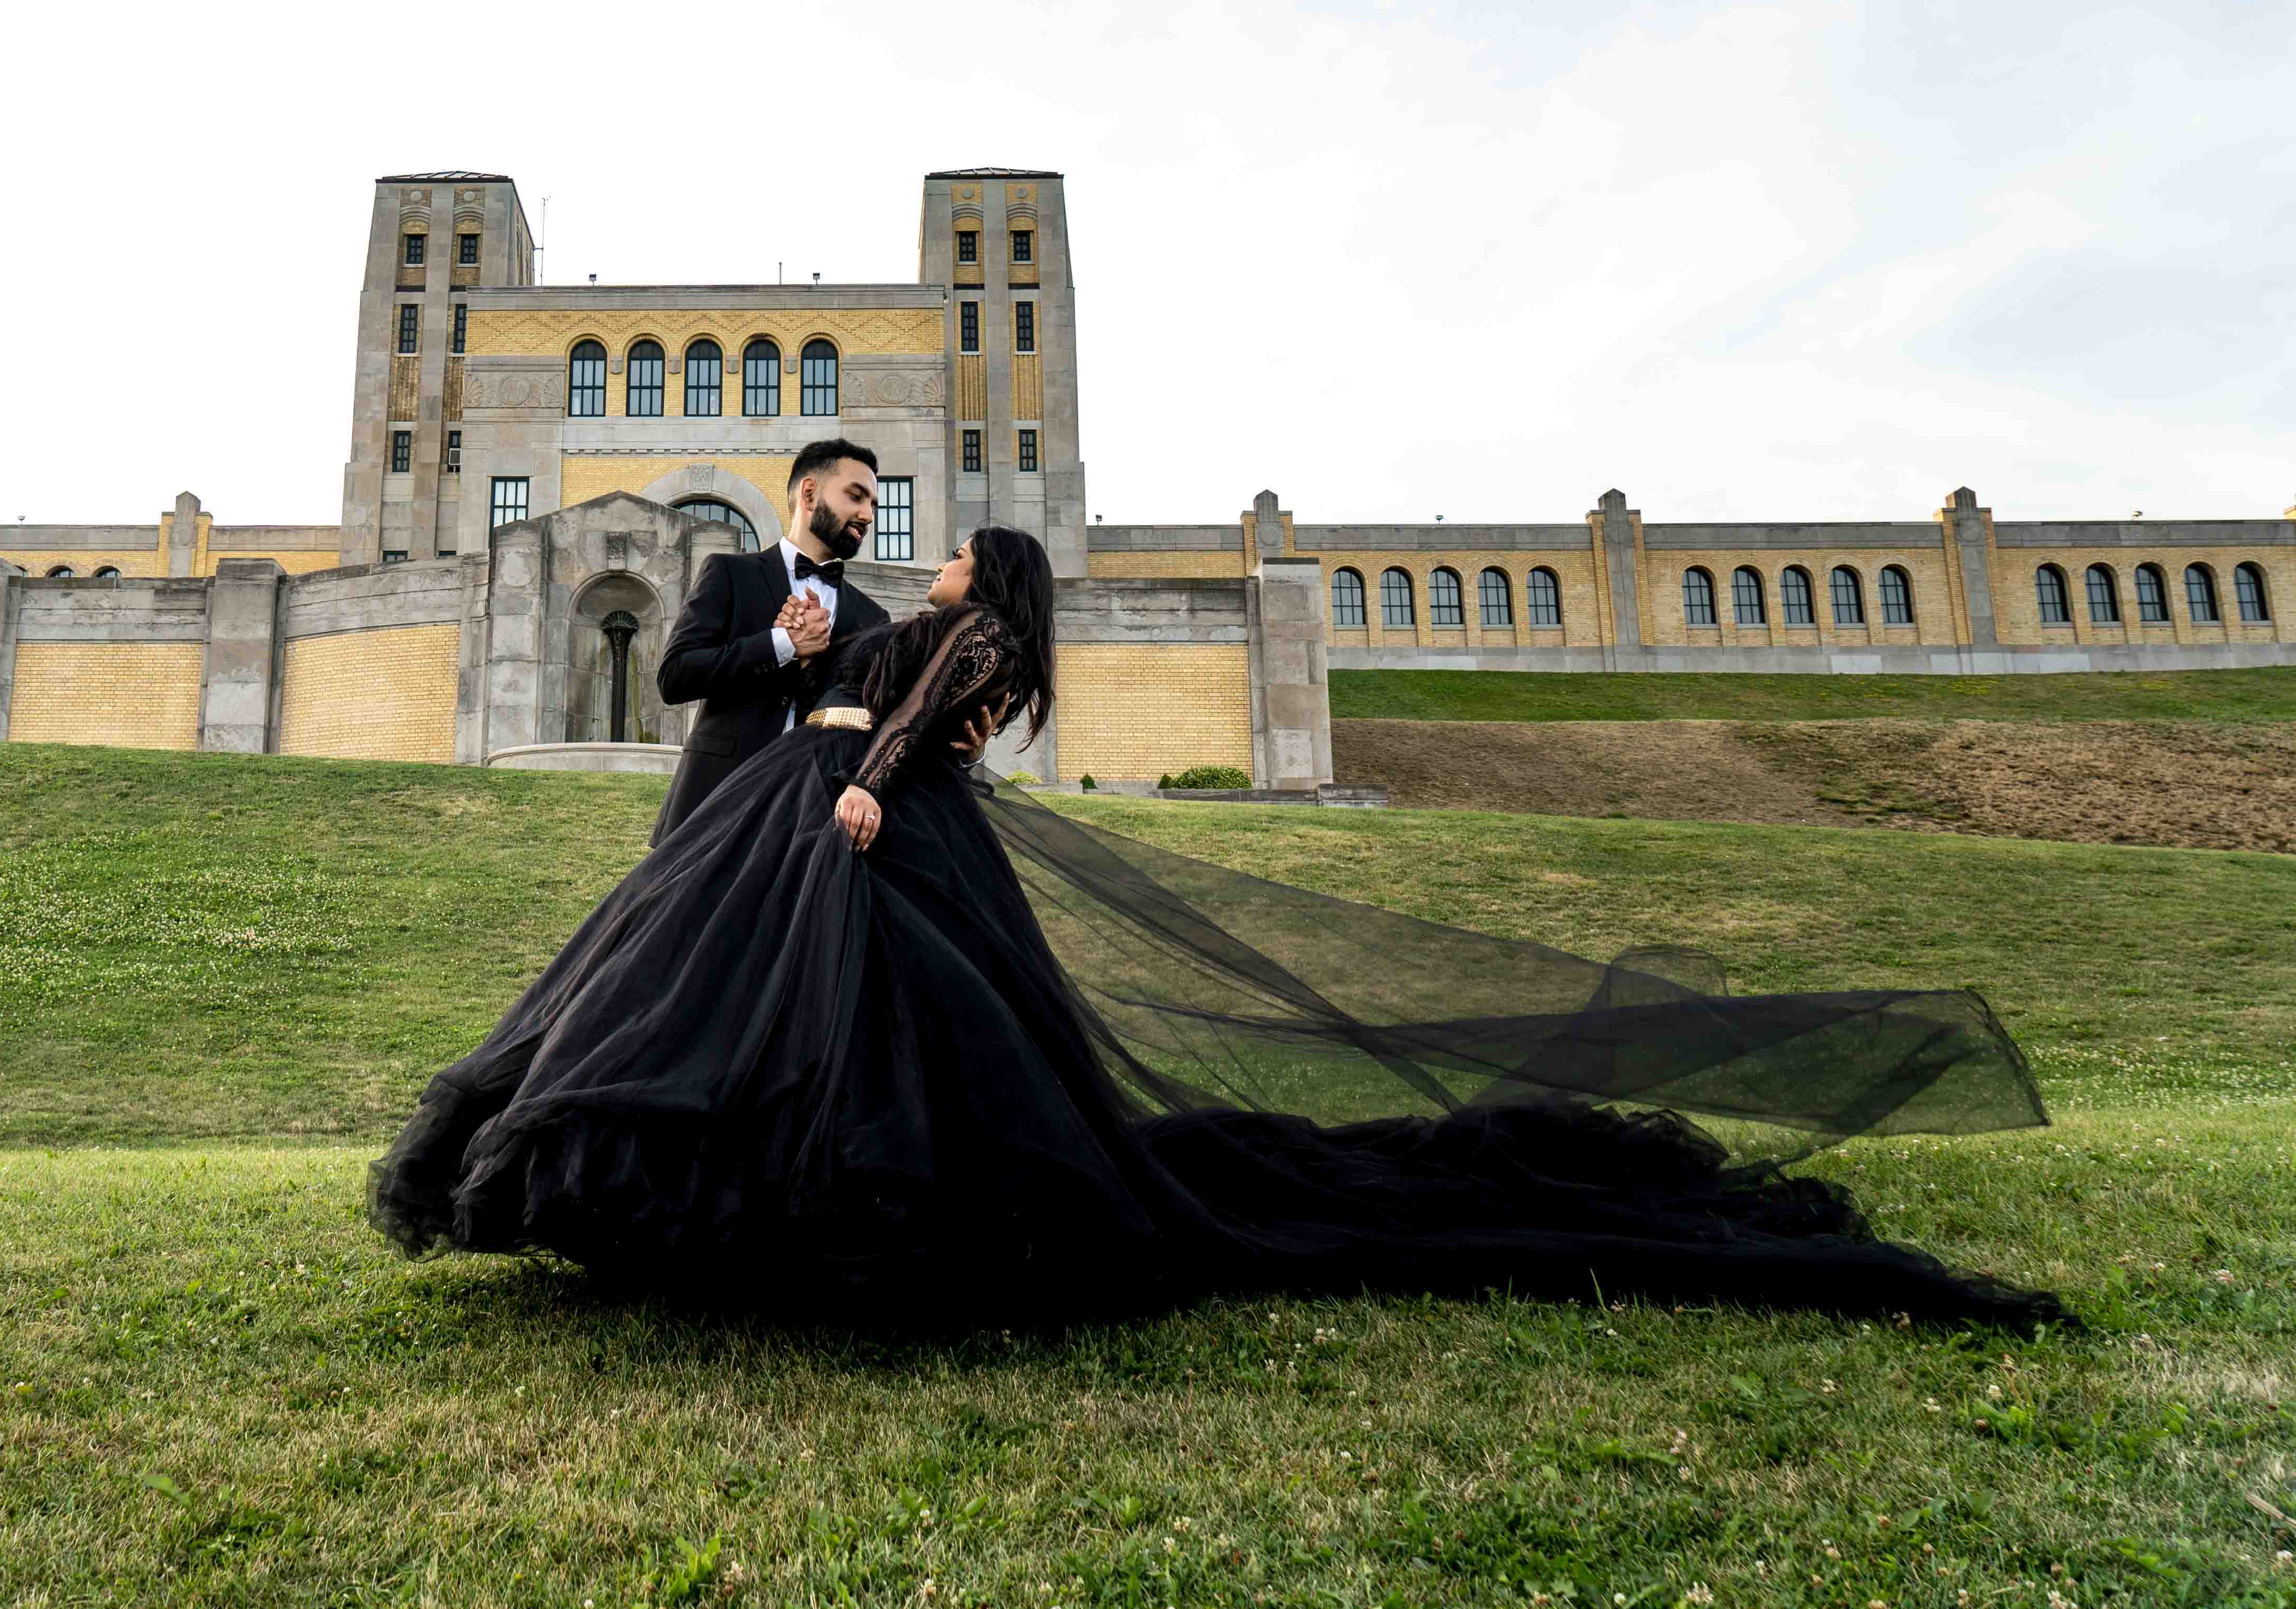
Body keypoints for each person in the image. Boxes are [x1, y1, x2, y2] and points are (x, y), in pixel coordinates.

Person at [372, 526, 2066, 1328]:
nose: (939, 561)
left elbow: (926, 707)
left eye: (959, 551)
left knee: (900, 1040)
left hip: (881, 830)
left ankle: (847, 1214)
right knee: (898, 1040)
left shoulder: (960, 640)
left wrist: (870, 780)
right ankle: (791, 1201)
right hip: (858, 827)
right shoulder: (915, 625)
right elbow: (896, 687)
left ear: (994, 576)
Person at [648, 439, 895, 843]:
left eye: (873, 504)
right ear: (810, 493)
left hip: (810, 819)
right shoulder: (730, 574)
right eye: (856, 496)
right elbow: (675, 677)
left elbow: (860, 722)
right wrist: (784, 644)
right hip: (714, 802)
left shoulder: (873, 619)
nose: (867, 514)